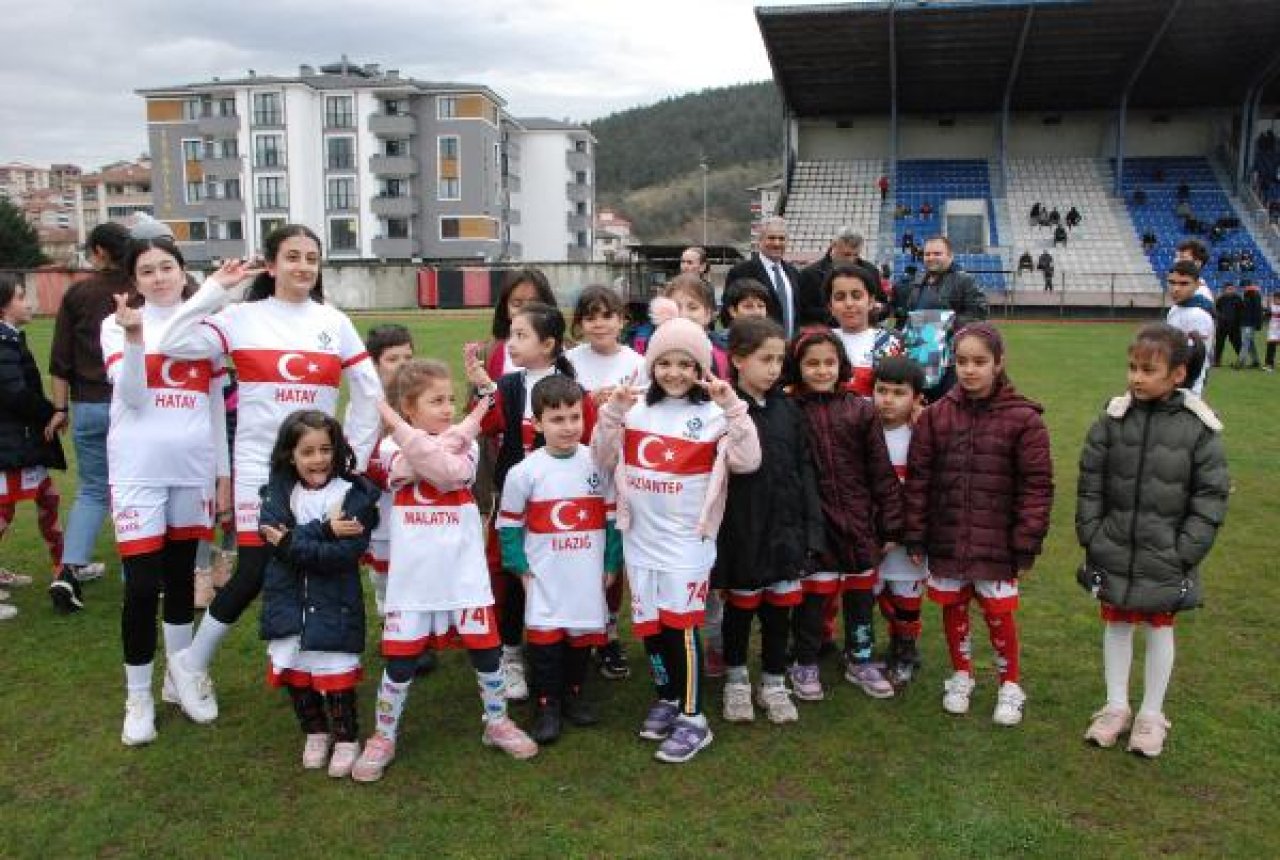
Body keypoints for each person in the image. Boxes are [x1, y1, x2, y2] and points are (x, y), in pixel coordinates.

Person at [154, 224, 383, 724]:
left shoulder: (333, 322)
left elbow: (370, 392)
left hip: (318, 470)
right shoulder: (240, 317)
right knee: (257, 568)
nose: (303, 266)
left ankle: (310, 669)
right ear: (272, 264)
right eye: (293, 256)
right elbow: (170, 342)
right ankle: (190, 665)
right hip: (261, 468)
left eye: (312, 258)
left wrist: (354, 460)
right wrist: (216, 290)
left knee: (306, 566)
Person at [591, 297, 761, 763]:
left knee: (682, 627)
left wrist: (733, 409)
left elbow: (748, 461)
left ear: (701, 368)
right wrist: (611, 414)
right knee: (651, 627)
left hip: (688, 543)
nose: (673, 373)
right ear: (651, 365)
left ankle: (694, 719)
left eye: (685, 364)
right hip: (639, 540)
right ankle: (667, 696)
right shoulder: (634, 410)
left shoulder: (713, 415)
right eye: (664, 363)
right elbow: (601, 459)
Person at [350, 361, 537, 783]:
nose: (449, 408)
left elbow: (450, 473)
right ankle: (384, 735)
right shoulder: (387, 450)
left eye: (452, 399)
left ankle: (496, 722)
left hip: (463, 573)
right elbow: (415, 466)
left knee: (486, 650)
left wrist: (396, 423)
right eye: (436, 401)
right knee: (400, 660)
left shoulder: (464, 449)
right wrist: (441, 439)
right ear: (409, 408)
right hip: (414, 579)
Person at [1076, 323, 1228, 758]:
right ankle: (1116, 705)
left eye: (1147, 369)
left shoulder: (1199, 429)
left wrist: (1186, 549)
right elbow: (1091, 482)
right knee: (1117, 622)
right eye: (1132, 367)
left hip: (1167, 554)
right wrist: (1092, 533)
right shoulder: (1112, 418)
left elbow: (1210, 495)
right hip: (1113, 546)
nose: (1136, 377)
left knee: (1160, 627)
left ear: (1178, 374)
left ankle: (1151, 714)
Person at [103, 238, 230, 746]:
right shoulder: (116, 325)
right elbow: (131, 397)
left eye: (167, 267)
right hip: (137, 473)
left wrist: (220, 474)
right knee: (140, 587)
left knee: (182, 580)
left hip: (192, 472)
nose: (158, 278)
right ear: (134, 280)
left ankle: (180, 679)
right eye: (147, 270)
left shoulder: (206, 329)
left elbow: (217, 406)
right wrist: (135, 339)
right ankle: (138, 696)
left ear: (183, 273)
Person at [904, 323, 1053, 726]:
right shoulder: (935, 417)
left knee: (998, 612)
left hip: (998, 542)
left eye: (980, 361)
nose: (969, 370)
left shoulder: (1025, 419)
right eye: (962, 361)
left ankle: (1010, 684)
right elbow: (919, 480)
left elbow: (1036, 487)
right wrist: (916, 532)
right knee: (953, 608)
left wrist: (1026, 540)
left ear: (999, 363)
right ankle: (962, 674)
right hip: (948, 536)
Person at [467, 302, 594, 702]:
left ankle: (567, 651)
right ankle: (511, 653)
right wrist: (485, 390)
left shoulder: (573, 391)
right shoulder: (508, 385)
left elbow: (587, 444)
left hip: (561, 509)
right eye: (512, 334)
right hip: (514, 501)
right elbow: (483, 426)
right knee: (509, 574)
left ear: (549, 344)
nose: (511, 343)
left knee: (555, 575)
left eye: (521, 335)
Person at [497, 375, 619, 744]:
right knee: (546, 642)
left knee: (582, 636)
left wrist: (611, 564)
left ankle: (574, 695)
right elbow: (508, 526)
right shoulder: (524, 472)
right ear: (537, 423)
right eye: (557, 419)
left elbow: (613, 520)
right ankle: (547, 704)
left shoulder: (598, 463)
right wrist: (520, 568)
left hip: (586, 572)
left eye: (575, 417)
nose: (568, 427)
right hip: (544, 575)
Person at [257, 410, 379, 777]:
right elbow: (271, 537)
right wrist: (325, 530)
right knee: (296, 671)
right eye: (307, 452)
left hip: (334, 601)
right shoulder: (278, 492)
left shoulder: (353, 496)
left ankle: (345, 738)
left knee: (335, 673)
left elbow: (344, 555)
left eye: (325, 449)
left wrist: (293, 542)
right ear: (290, 455)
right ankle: (315, 732)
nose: (318, 459)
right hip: (288, 600)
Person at [714, 318, 822, 725]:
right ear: (738, 360)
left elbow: (804, 468)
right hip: (742, 530)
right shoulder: (721, 411)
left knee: (779, 613)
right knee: (740, 613)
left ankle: (774, 680)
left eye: (780, 359)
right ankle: (737, 680)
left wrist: (810, 527)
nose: (774, 368)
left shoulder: (789, 410)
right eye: (765, 359)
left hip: (785, 530)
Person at [787, 328, 903, 701]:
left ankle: (862, 658)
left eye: (829, 363)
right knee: (813, 600)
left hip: (858, 521)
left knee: (859, 598)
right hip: (815, 523)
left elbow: (881, 471)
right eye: (812, 364)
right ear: (798, 367)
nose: (822, 371)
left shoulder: (861, 409)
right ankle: (804, 661)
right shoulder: (791, 411)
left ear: (841, 365)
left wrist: (889, 523)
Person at [46, 222, 132, 607]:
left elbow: (59, 361)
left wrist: (60, 408)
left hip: (88, 405)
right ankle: (139, 569)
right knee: (134, 489)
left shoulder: (78, 293)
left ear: (99, 252)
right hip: (131, 405)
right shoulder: (142, 290)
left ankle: (68, 571)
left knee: (93, 489)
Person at [564, 285, 643, 680]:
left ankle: (609, 632)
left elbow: (645, 410)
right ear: (579, 323)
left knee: (612, 554)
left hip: (618, 471)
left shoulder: (637, 362)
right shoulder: (568, 361)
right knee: (577, 548)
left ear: (622, 320)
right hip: (576, 469)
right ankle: (574, 627)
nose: (599, 323)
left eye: (607, 315)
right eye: (590, 316)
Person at [0, 276, 66, 616]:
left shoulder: (10, 339)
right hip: (9, 445)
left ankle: (67, 566)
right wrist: (51, 413)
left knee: (48, 498)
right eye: (21, 296)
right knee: (3, 512)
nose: (29, 303)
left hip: (20, 443)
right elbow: (13, 393)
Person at [870, 356, 928, 686]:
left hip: (908, 537)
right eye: (881, 390)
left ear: (917, 399)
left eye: (898, 393)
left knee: (907, 594)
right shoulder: (864, 429)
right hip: (873, 534)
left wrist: (913, 531)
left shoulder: (922, 434)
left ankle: (905, 650)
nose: (887, 400)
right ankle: (868, 647)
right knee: (874, 592)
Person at [892, 236, 988, 402]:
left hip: (949, 359)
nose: (931, 258)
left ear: (950, 256)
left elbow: (979, 313)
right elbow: (911, 313)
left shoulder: (964, 280)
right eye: (927, 254)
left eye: (937, 253)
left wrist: (944, 323)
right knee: (919, 404)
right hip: (919, 354)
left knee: (946, 404)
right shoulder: (919, 280)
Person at [361, 324, 414, 616]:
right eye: (393, 359)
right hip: (383, 500)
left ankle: (420, 631)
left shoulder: (421, 397)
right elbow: (360, 457)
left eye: (408, 358)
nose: (402, 366)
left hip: (417, 499)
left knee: (416, 565)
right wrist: (393, 473)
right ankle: (387, 619)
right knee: (384, 570)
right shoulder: (366, 404)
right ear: (374, 363)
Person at [827, 265, 902, 397]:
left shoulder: (891, 342)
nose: (849, 304)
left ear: (871, 302)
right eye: (840, 297)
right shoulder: (820, 340)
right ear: (830, 307)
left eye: (856, 296)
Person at [724, 217, 802, 338]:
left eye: (781, 239)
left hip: (790, 348)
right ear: (759, 241)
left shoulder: (793, 273)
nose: (777, 243)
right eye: (771, 238)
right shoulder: (741, 271)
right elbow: (727, 313)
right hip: (756, 345)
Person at [795, 228, 887, 328]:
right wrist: (840, 314)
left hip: (864, 335)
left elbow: (883, 304)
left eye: (855, 255)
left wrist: (878, 310)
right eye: (846, 254)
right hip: (825, 337)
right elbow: (804, 311)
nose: (851, 260)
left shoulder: (870, 271)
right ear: (833, 246)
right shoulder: (810, 274)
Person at [1164, 261, 1215, 396]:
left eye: (1184, 283)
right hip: (1170, 383)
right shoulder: (1176, 308)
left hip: (1186, 388)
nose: (1176, 289)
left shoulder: (1198, 315)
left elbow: (1193, 358)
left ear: (1197, 285)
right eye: (1172, 282)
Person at [1213, 283, 1244, 367]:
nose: (1231, 290)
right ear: (1225, 290)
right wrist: (1219, 319)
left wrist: (1239, 322)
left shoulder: (1238, 299)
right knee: (1219, 344)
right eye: (1229, 289)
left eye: (1232, 289)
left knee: (1237, 344)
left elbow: (1241, 311)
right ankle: (1217, 361)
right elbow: (1217, 310)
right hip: (1222, 326)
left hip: (1235, 326)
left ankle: (1241, 360)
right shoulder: (1221, 299)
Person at [1266, 290, 1280, 371]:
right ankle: (1269, 364)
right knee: (1271, 347)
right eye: (1275, 298)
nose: (1277, 300)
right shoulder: (1271, 306)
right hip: (1273, 330)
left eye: (1278, 299)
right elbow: (1266, 316)